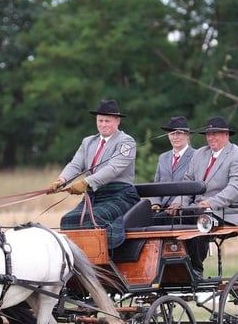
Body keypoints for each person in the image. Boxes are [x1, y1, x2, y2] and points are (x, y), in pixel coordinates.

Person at [46, 98, 139, 249]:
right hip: (94, 196)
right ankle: (78, 261)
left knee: (93, 218)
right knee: (68, 220)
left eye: (107, 121)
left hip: (120, 195)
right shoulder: (88, 142)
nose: (103, 124)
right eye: (100, 120)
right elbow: (76, 164)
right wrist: (61, 180)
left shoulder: (127, 142)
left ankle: (109, 256)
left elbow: (113, 169)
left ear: (117, 121)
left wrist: (86, 182)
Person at [167, 115, 238, 279]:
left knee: (201, 220)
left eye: (215, 133)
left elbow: (236, 187)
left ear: (226, 134)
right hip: (197, 209)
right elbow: (188, 182)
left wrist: (211, 203)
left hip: (225, 211)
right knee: (165, 218)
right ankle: (173, 267)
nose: (211, 137)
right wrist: (178, 202)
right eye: (208, 134)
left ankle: (195, 269)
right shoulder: (199, 154)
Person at [150, 115, 194, 212]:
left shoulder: (196, 156)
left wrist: (179, 204)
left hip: (184, 209)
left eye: (178, 133)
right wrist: (156, 203)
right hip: (162, 208)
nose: (175, 137)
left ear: (187, 135)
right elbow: (157, 185)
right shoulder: (163, 157)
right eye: (171, 133)